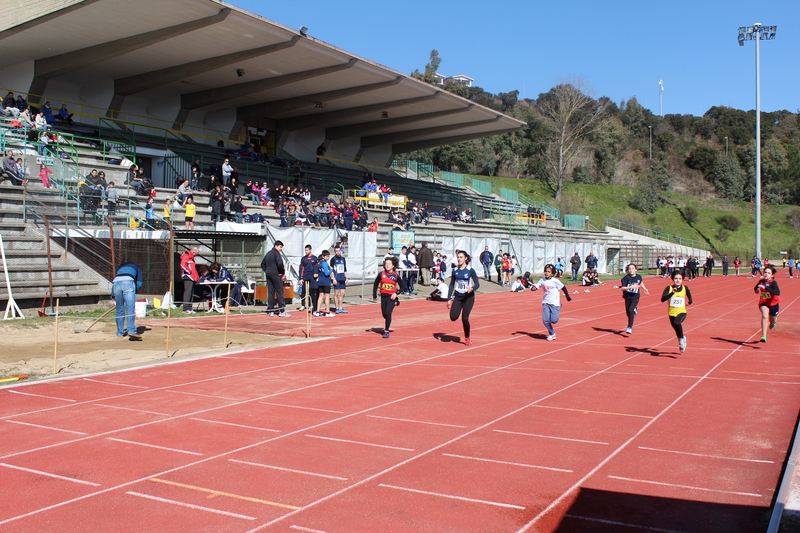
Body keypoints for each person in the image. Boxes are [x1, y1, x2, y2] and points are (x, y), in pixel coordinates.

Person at [530, 264, 572, 341]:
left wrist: (567, 296)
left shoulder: (555, 281)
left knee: (554, 321)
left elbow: (563, 288)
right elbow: (537, 286)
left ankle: (559, 307)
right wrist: (533, 288)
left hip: (555, 303)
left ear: (552, 274)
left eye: (549, 272)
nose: (546, 273)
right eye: (545, 271)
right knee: (545, 320)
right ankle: (552, 334)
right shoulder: (542, 280)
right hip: (546, 302)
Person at [447, 251, 480, 346]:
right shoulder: (455, 270)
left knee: (465, 318)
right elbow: (452, 284)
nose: (459, 259)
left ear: (465, 258)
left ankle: (467, 337)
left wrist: (472, 288)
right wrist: (449, 298)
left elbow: (477, 284)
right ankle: (457, 309)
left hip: (468, 297)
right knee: (453, 317)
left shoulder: (470, 270)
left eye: (461, 257)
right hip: (458, 296)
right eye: (458, 257)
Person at [661, 270, 693, 353]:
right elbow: (663, 299)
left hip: (682, 312)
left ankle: (681, 340)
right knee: (676, 327)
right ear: (672, 279)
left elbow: (690, 300)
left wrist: (688, 303)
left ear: (682, 279)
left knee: (676, 323)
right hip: (671, 313)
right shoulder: (669, 288)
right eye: (676, 278)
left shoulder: (685, 288)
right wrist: (672, 293)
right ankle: (681, 338)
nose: (678, 280)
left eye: (680, 278)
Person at [111, 262, 143, 340]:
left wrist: (113, 297)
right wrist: (133, 291)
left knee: (119, 309)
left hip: (116, 284)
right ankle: (131, 331)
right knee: (130, 308)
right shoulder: (137, 267)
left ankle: (120, 332)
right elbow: (139, 283)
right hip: (128, 283)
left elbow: (115, 284)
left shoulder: (120, 268)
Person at [261, 240, 291, 317]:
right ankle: (282, 311)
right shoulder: (276, 254)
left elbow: (262, 264)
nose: (281, 249)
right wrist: (282, 272)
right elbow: (280, 263)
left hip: (269, 275)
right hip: (276, 275)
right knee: (280, 292)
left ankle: (271, 311)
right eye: (280, 247)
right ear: (276, 246)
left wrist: (267, 271)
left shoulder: (268, 254)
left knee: (270, 292)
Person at [373, 256, 400, 338]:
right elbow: (375, 284)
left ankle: (386, 331)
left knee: (388, 313)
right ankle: (396, 303)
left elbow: (403, 287)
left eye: (389, 264)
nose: (387, 265)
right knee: (385, 315)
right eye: (386, 264)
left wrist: (396, 293)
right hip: (383, 296)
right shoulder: (381, 274)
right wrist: (374, 295)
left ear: (393, 266)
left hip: (391, 297)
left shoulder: (396, 275)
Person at [618, 263, 649, 334]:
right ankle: (634, 309)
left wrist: (644, 289)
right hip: (627, 296)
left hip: (635, 296)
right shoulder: (625, 278)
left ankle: (629, 327)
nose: (631, 270)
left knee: (630, 310)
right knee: (628, 313)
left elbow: (640, 283)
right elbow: (622, 288)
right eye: (629, 269)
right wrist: (631, 287)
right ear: (627, 270)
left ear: (636, 270)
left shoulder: (639, 277)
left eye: (632, 268)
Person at [755, 266, 780, 343]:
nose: (766, 274)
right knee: (765, 316)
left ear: (772, 275)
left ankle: (773, 323)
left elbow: (777, 292)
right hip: (763, 303)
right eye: (765, 272)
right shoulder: (761, 281)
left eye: (768, 273)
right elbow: (756, 287)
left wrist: (765, 288)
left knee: (772, 321)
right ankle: (764, 336)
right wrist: (756, 289)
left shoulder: (773, 283)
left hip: (774, 304)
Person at [299, 244, 318, 313]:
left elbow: (317, 267)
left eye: (307, 250)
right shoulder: (303, 259)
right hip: (305, 276)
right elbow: (301, 269)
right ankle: (303, 305)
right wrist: (300, 278)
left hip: (312, 277)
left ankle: (311, 305)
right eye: (305, 250)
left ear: (310, 250)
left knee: (311, 291)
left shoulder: (314, 258)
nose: (306, 251)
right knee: (303, 291)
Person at [180, 246, 200, 313]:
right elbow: (183, 264)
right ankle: (185, 308)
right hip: (188, 277)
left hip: (192, 277)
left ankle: (190, 308)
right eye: (196, 254)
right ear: (193, 252)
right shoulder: (186, 256)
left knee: (191, 293)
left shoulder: (191, 258)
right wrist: (189, 271)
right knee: (188, 292)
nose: (195, 255)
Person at [315, 250, 335, 317]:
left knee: (320, 296)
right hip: (325, 281)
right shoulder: (325, 263)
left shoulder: (320, 263)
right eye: (326, 256)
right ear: (323, 256)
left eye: (328, 256)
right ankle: (327, 312)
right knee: (327, 296)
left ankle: (317, 311)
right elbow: (326, 273)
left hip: (320, 281)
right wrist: (331, 270)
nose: (328, 258)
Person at [331, 245, 349, 314]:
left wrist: (346, 278)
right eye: (336, 251)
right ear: (335, 252)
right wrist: (333, 278)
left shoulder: (343, 259)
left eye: (339, 251)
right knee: (336, 293)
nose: (338, 252)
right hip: (336, 278)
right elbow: (331, 270)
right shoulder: (333, 259)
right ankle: (337, 308)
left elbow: (345, 269)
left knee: (343, 293)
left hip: (342, 278)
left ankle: (341, 307)